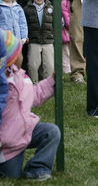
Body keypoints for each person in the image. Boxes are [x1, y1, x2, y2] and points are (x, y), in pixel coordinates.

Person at [0, 31, 60, 181]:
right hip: (8, 146)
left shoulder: (20, 76)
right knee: (11, 176)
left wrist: (51, 82)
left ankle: (37, 169)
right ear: (12, 58)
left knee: (51, 132)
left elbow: (34, 95)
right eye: (19, 53)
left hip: (26, 131)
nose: (23, 56)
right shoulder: (3, 86)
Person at [23, 0, 54, 83]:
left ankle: (47, 85)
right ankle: (34, 84)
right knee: (32, 64)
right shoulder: (27, 10)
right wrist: (26, 36)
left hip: (48, 40)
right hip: (34, 41)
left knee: (49, 65)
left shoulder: (51, 9)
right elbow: (24, 24)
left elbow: (56, 23)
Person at [61, 0, 71, 74]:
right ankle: (66, 70)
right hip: (66, 32)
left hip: (76, 30)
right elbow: (66, 17)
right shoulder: (64, 3)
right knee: (66, 52)